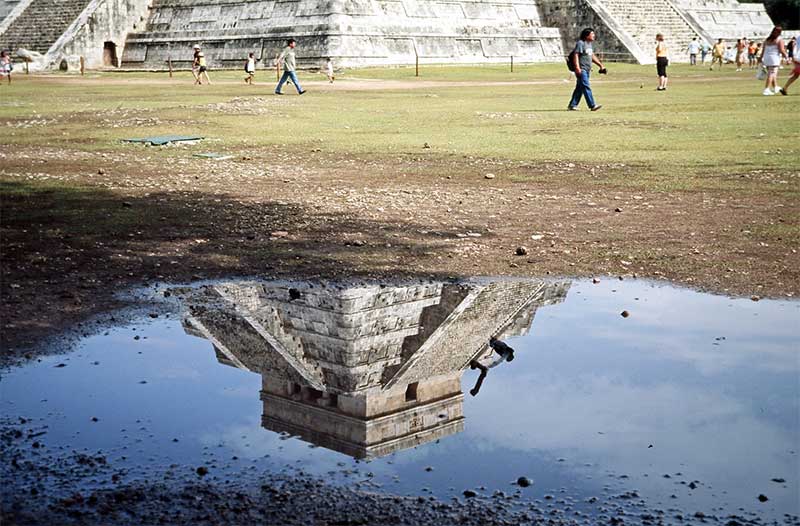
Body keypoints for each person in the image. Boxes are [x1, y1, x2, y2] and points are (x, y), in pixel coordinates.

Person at [567, 27, 606, 111]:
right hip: (582, 69)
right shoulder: (581, 43)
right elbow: (576, 55)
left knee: (580, 87)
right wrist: (577, 67)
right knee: (586, 86)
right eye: (592, 34)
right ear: (586, 35)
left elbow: (591, 55)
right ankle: (592, 105)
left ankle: (572, 105)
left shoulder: (589, 44)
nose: (594, 35)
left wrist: (600, 65)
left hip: (587, 69)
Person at [759, 26, 787, 96]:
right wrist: (787, 57)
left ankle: (775, 87)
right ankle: (766, 89)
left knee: (772, 73)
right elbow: (781, 50)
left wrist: (760, 58)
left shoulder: (767, 39)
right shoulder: (779, 39)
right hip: (774, 58)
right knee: (771, 73)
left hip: (766, 57)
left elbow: (763, 50)